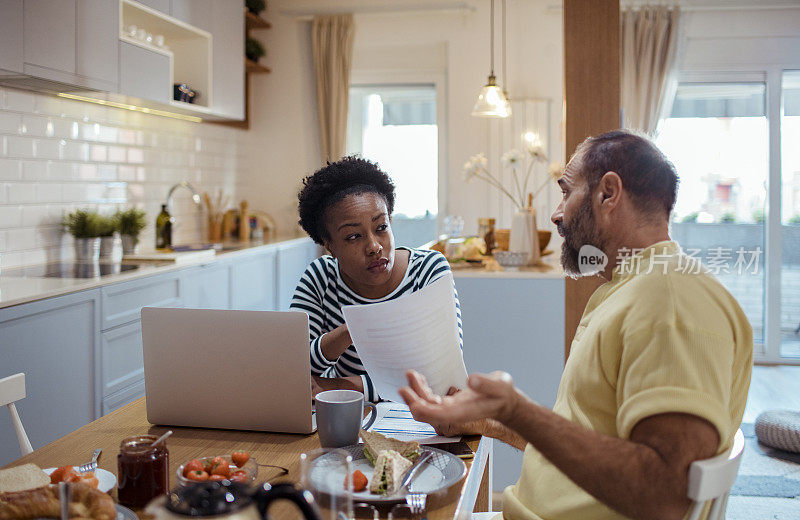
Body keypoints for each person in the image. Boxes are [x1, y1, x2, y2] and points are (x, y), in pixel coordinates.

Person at [399, 130, 753, 520]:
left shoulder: (670, 299)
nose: (556, 213)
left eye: (566, 191)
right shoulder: (628, 288)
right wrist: (492, 421)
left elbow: (664, 495)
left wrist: (519, 410)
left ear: (608, 193)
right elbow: (594, 444)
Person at [290, 156, 463, 402]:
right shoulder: (320, 277)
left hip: (419, 421)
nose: (374, 247)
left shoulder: (428, 270)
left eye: (381, 228)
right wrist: (352, 330)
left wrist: (340, 385)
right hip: (349, 419)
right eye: (353, 237)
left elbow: (438, 376)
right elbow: (294, 367)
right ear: (329, 245)